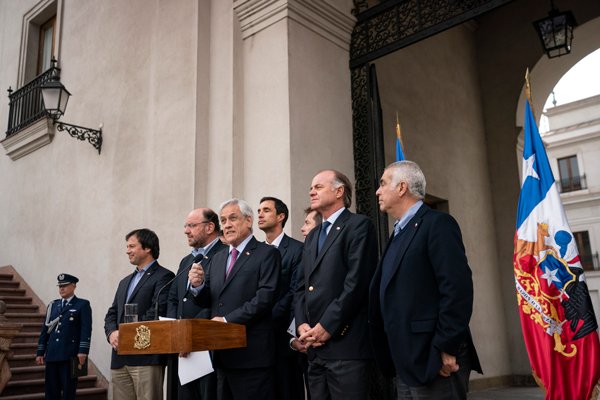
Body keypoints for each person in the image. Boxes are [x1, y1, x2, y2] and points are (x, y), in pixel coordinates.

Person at [370, 160, 482, 400]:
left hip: (435, 358)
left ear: (402, 187)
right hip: (406, 359)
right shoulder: (399, 231)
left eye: (382, 184)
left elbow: (456, 289)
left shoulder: (437, 224)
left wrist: (446, 347)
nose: (377, 191)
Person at [295, 169, 378, 400]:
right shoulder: (313, 236)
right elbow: (302, 286)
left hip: (346, 346)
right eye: (311, 188)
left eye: (318, 187)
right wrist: (302, 322)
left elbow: (357, 283)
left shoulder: (359, 225)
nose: (311, 191)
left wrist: (327, 326)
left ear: (339, 191)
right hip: (314, 348)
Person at [188, 198, 281, 400]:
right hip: (222, 355)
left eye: (232, 218)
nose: (227, 225)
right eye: (223, 220)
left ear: (248, 221)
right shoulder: (218, 258)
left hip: (252, 356)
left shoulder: (267, 254)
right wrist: (198, 286)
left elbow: (265, 298)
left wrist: (227, 321)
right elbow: (209, 301)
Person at [103, 228, 175, 400]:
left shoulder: (164, 276)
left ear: (147, 248)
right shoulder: (124, 282)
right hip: (120, 358)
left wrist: (127, 334)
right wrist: (112, 333)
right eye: (127, 246)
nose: (127, 250)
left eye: (132, 246)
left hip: (146, 358)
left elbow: (157, 312)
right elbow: (112, 312)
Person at [166, 208, 227, 400]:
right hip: (182, 346)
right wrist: (176, 333)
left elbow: (219, 301)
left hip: (207, 345)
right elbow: (174, 298)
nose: (186, 230)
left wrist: (189, 335)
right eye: (186, 226)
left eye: (191, 225)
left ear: (210, 227)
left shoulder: (224, 254)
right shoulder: (187, 260)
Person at [257, 196, 304, 400]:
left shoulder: (296, 249)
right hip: (257, 338)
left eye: (266, 210)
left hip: (283, 336)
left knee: (286, 390)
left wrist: (266, 317)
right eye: (258, 210)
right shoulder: (255, 252)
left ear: (281, 216)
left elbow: (294, 291)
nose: (260, 214)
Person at [36, 273, 92, 400]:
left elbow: (86, 329)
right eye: (60, 286)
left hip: (70, 355)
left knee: (68, 392)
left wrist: (83, 351)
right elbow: (45, 329)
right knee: (50, 392)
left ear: (73, 286)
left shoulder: (82, 304)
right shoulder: (53, 305)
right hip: (52, 354)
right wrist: (40, 351)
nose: (61, 289)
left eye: (65, 286)